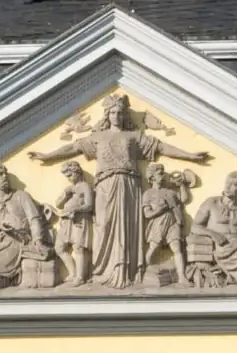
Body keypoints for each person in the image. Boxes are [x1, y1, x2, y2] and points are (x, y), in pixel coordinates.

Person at [29, 95, 211, 288]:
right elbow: (73, 147)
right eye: (113, 112)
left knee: (128, 226)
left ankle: (127, 272)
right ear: (107, 115)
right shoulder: (98, 137)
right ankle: (102, 271)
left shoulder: (133, 137)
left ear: (124, 115)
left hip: (129, 185)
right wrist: (48, 155)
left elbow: (162, 147)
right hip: (105, 187)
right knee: (103, 225)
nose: (116, 116)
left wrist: (190, 156)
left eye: (120, 113)